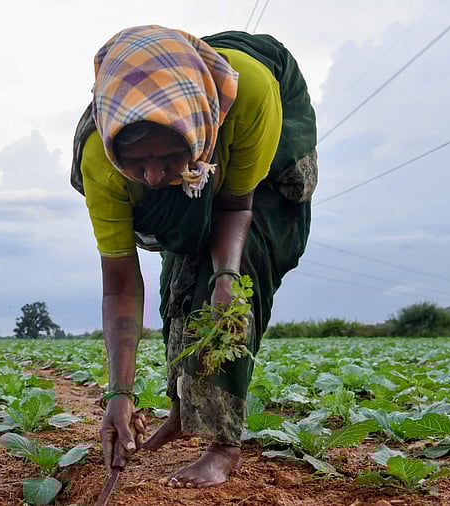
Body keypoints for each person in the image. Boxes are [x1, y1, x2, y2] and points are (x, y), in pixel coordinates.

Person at [71, 26, 317, 488]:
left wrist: (226, 275)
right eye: (136, 163)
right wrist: (119, 394)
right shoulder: (101, 163)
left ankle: (223, 445)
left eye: (166, 158)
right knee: (176, 282)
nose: (153, 174)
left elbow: (235, 205)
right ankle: (182, 412)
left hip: (264, 153)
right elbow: (121, 284)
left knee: (237, 275)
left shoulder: (252, 94)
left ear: (193, 129)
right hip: (203, 135)